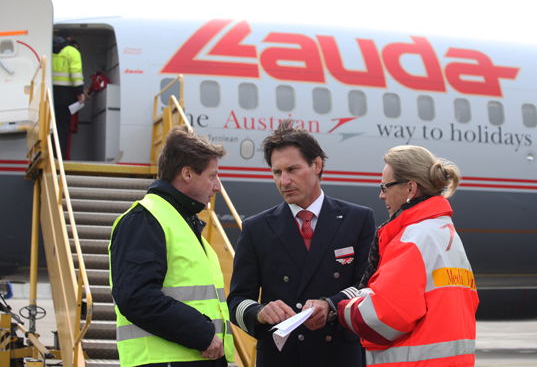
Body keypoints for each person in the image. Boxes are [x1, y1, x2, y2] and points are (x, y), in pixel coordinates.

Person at [227, 119, 376, 367]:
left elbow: (367, 287)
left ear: (316, 165)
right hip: (282, 358)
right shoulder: (256, 228)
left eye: (292, 170)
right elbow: (237, 301)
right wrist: (260, 312)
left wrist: (330, 306)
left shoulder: (358, 219)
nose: (283, 181)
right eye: (277, 172)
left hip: (338, 356)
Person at [337, 145, 479, 367]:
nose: (381, 194)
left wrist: (344, 308)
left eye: (385, 186)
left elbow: (384, 319)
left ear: (411, 189)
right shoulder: (446, 235)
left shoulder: (412, 238)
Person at [109, 125, 234, 367]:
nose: (217, 186)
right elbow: (136, 297)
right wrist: (202, 333)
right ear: (187, 174)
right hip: (166, 361)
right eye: (212, 176)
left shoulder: (180, 221)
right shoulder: (146, 219)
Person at [52, 27, 84, 158]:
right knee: (63, 129)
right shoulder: (72, 51)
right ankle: (60, 157)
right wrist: (81, 93)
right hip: (66, 97)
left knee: (50, 128)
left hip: (50, 96)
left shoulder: (48, 49)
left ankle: (50, 155)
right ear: (69, 38)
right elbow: (76, 74)